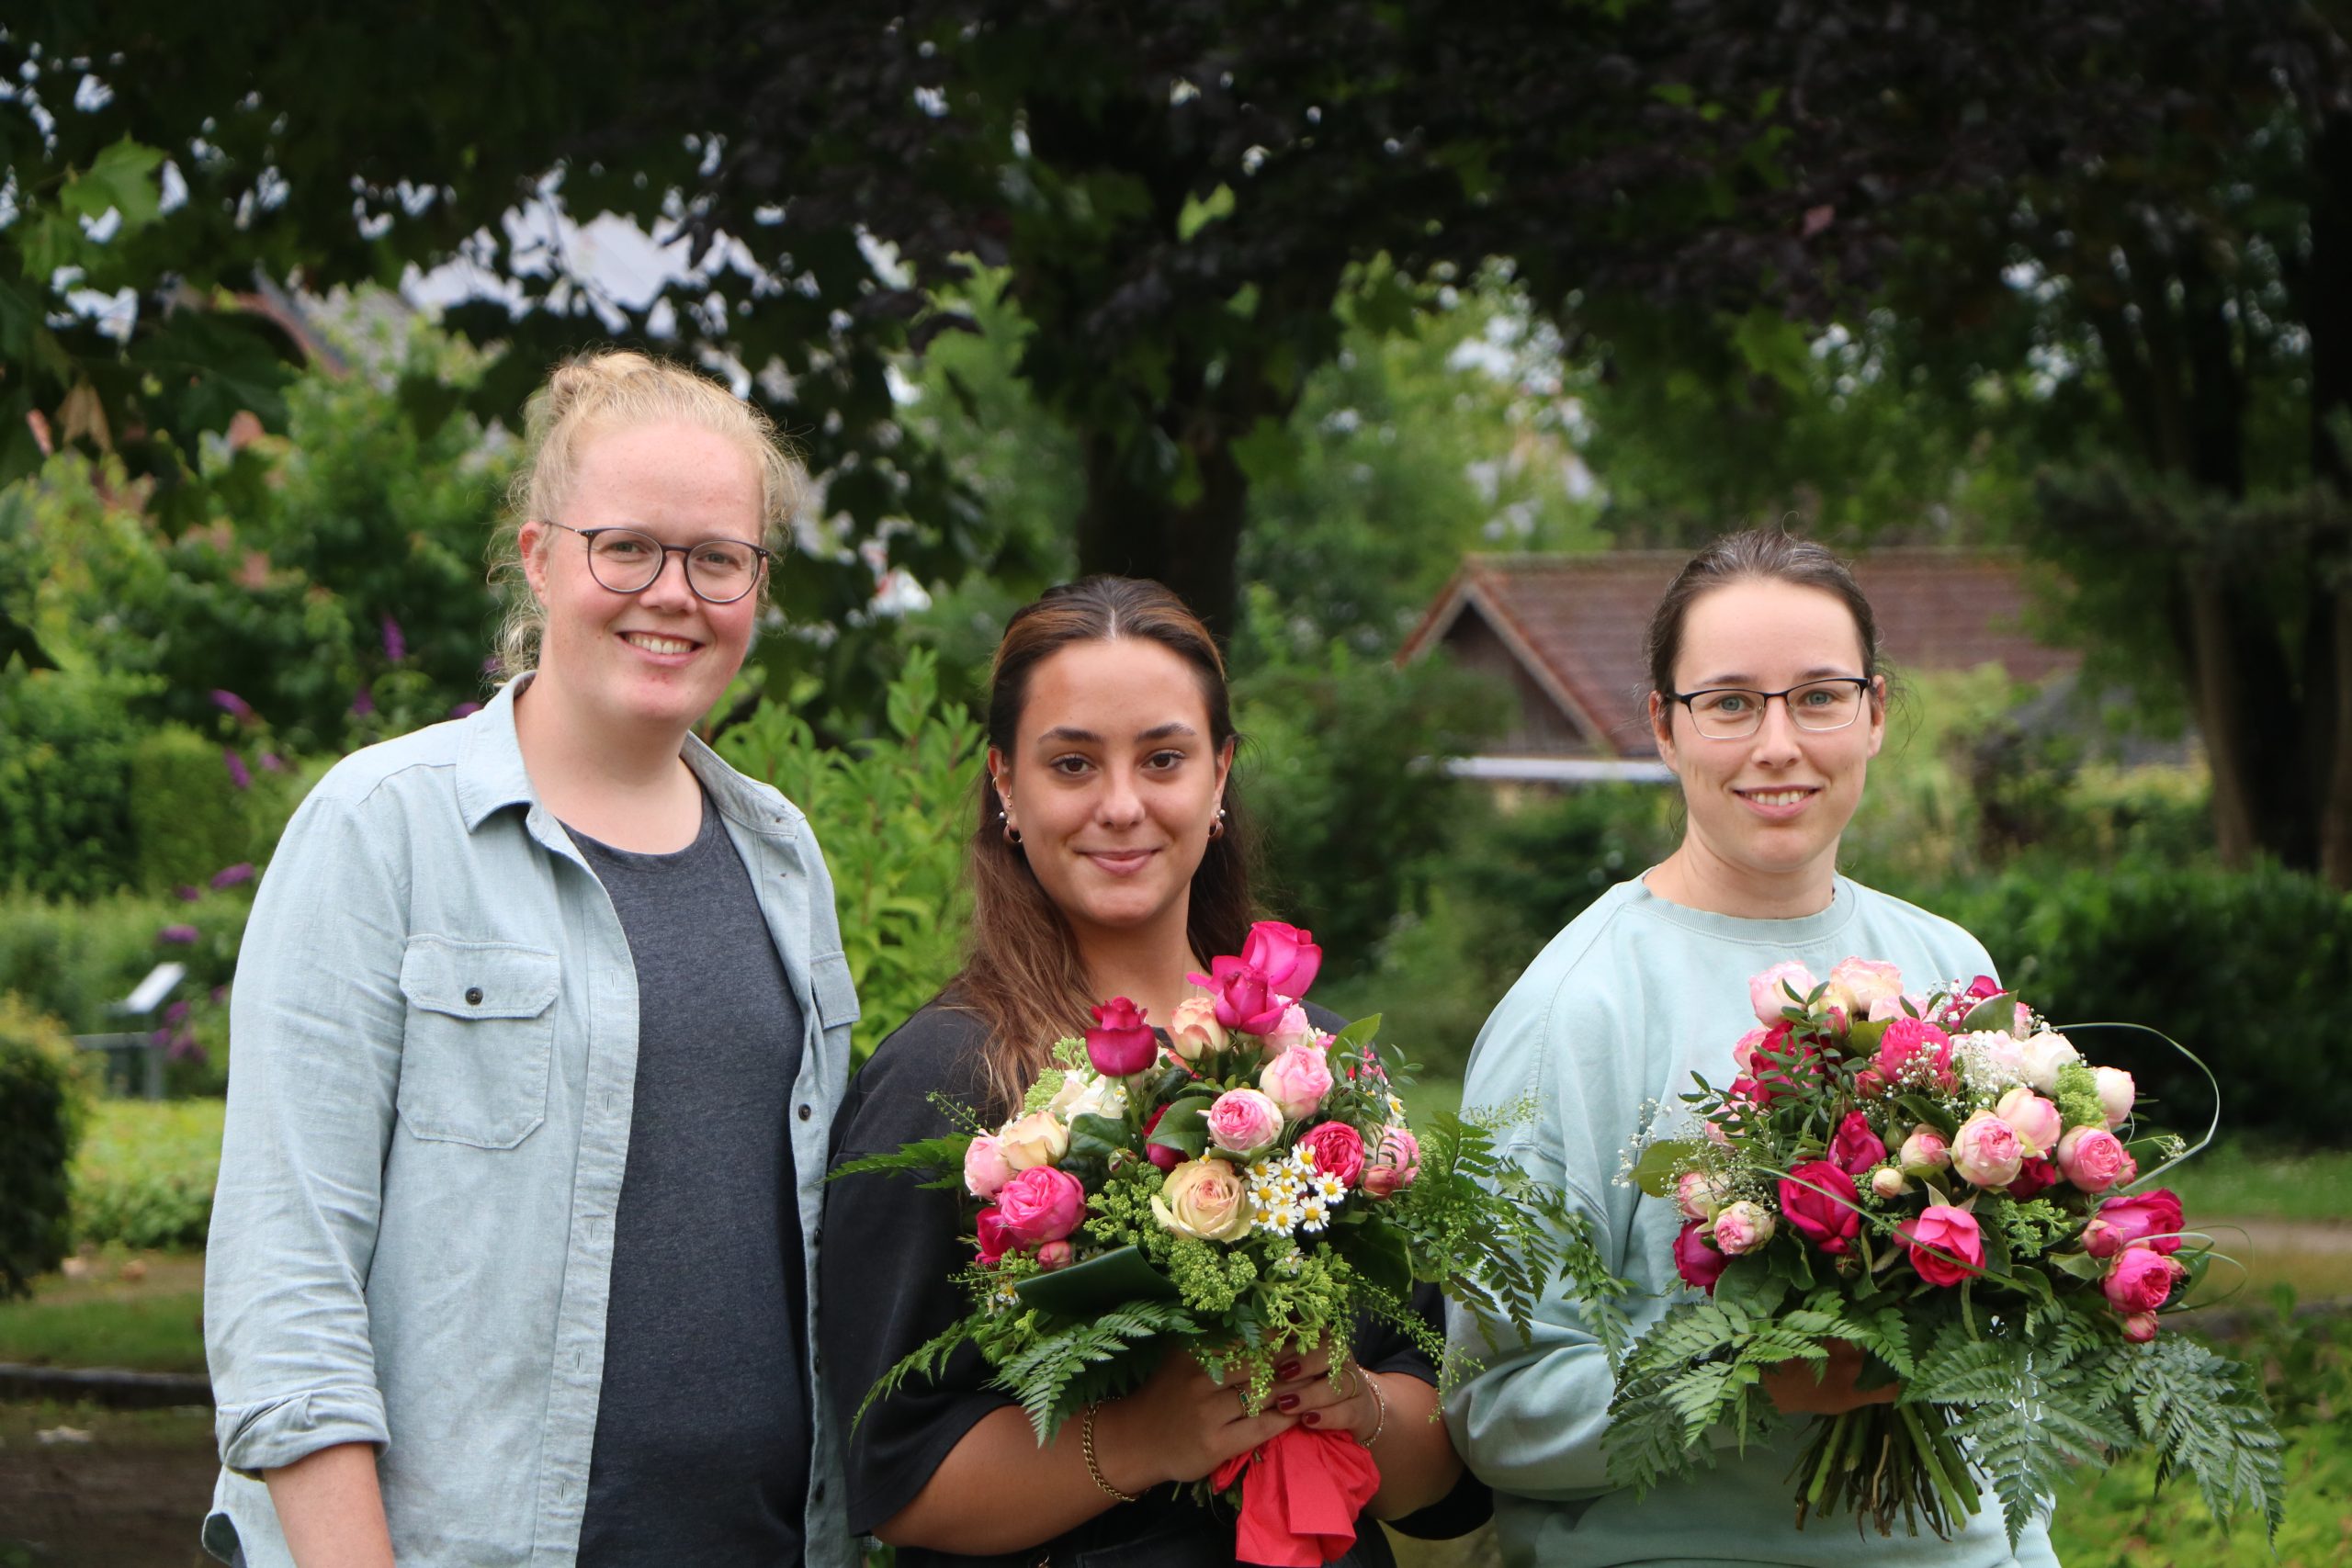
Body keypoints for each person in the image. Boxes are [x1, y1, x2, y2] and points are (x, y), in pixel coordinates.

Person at [202, 351, 859, 1568]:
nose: (674, 592)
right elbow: (285, 1279)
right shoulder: (380, 827)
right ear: (539, 554)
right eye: (626, 547)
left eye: (719, 557)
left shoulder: (781, 857)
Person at [820, 576, 1483, 1567]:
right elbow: (895, 1479)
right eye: (1073, 763)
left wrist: (1355, 1404)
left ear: (1219, 775)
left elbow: (1440, 1485)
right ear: (1006, 783)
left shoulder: (1318, 1070)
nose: (1122, 806)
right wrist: (1141, 1440)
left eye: (1163, 758)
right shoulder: (947, 1073)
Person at [1443, 530, 2062, 1567]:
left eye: (1818, 696)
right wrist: (1751, 1375)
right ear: (1663, 727)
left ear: (1874, 715)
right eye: (1730, 703)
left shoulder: (1951, 968)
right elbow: (1496, 1410)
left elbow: (2012, 1364)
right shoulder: (1576, 1008)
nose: (1778, 743)